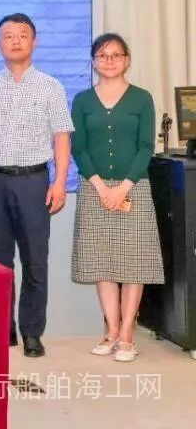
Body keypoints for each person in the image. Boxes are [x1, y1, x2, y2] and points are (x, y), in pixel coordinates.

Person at [0, 13, 73, 358]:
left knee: (36, 260)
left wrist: (60, 181)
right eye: (8, 36)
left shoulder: (51, 86)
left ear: (34, 42)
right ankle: (2, 330)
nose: (15, 41)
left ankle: (32, 331)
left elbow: (61, 136)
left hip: (35, 182)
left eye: (22, 35)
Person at [70, 33, 162, 362]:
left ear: (127, 60)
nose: (109, 60)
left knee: (134, 264)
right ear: (93, 61)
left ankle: (126, 335)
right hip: (94, 188)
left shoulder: (142, 98)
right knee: (103, 263)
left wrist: (123, 187)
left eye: (116, 55)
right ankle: (110, 330)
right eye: (102, 55)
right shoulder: (82, 100)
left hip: (133, 186)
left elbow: (146, 147)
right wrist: (100, 186)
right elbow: (79, 147)